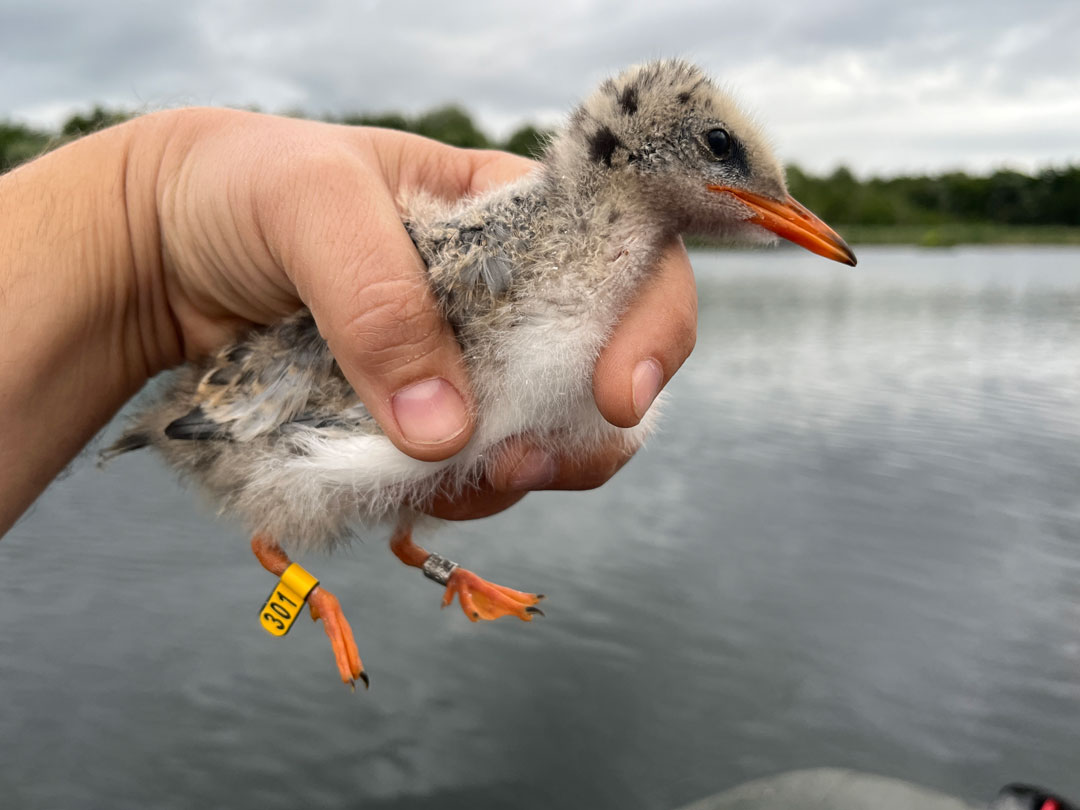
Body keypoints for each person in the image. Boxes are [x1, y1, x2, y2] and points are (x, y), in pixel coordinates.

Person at [0, 107, 697, 534]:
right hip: (234, 419)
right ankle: (312, 593)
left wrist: (151, 214)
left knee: (441, 479)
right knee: (339, 496)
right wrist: (146, 210)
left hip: (253, 392)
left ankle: (429, 564)